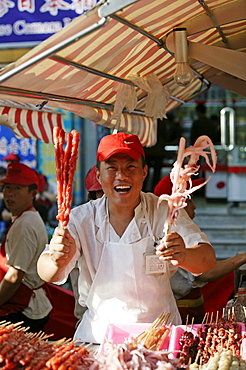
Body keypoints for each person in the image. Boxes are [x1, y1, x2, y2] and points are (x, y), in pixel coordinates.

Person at [37, 132, 216, 344]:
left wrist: (184, 255)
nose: (121, 175)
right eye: (111, 168)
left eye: (130, 167)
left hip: (160, 337)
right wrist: (56, 258)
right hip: (100, 336)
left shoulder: (164, 210)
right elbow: (46, 271)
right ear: (98, 174)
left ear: (144, 172)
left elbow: (207, 260)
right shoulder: (80, 218)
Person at [154, 174, 246, 323]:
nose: (194, 206)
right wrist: (243, 257)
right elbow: (207, 273)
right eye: (188, 201)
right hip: (179, 312)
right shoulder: (172, 231)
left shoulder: (184, 229)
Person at [0, 163, 52, 332]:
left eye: (17, 188)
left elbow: (15, 276)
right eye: (7, 187)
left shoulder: (24, 224)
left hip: (24, 309)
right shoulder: (27, 217)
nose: (9, 193)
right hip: (28, 303)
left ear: (33, 194)